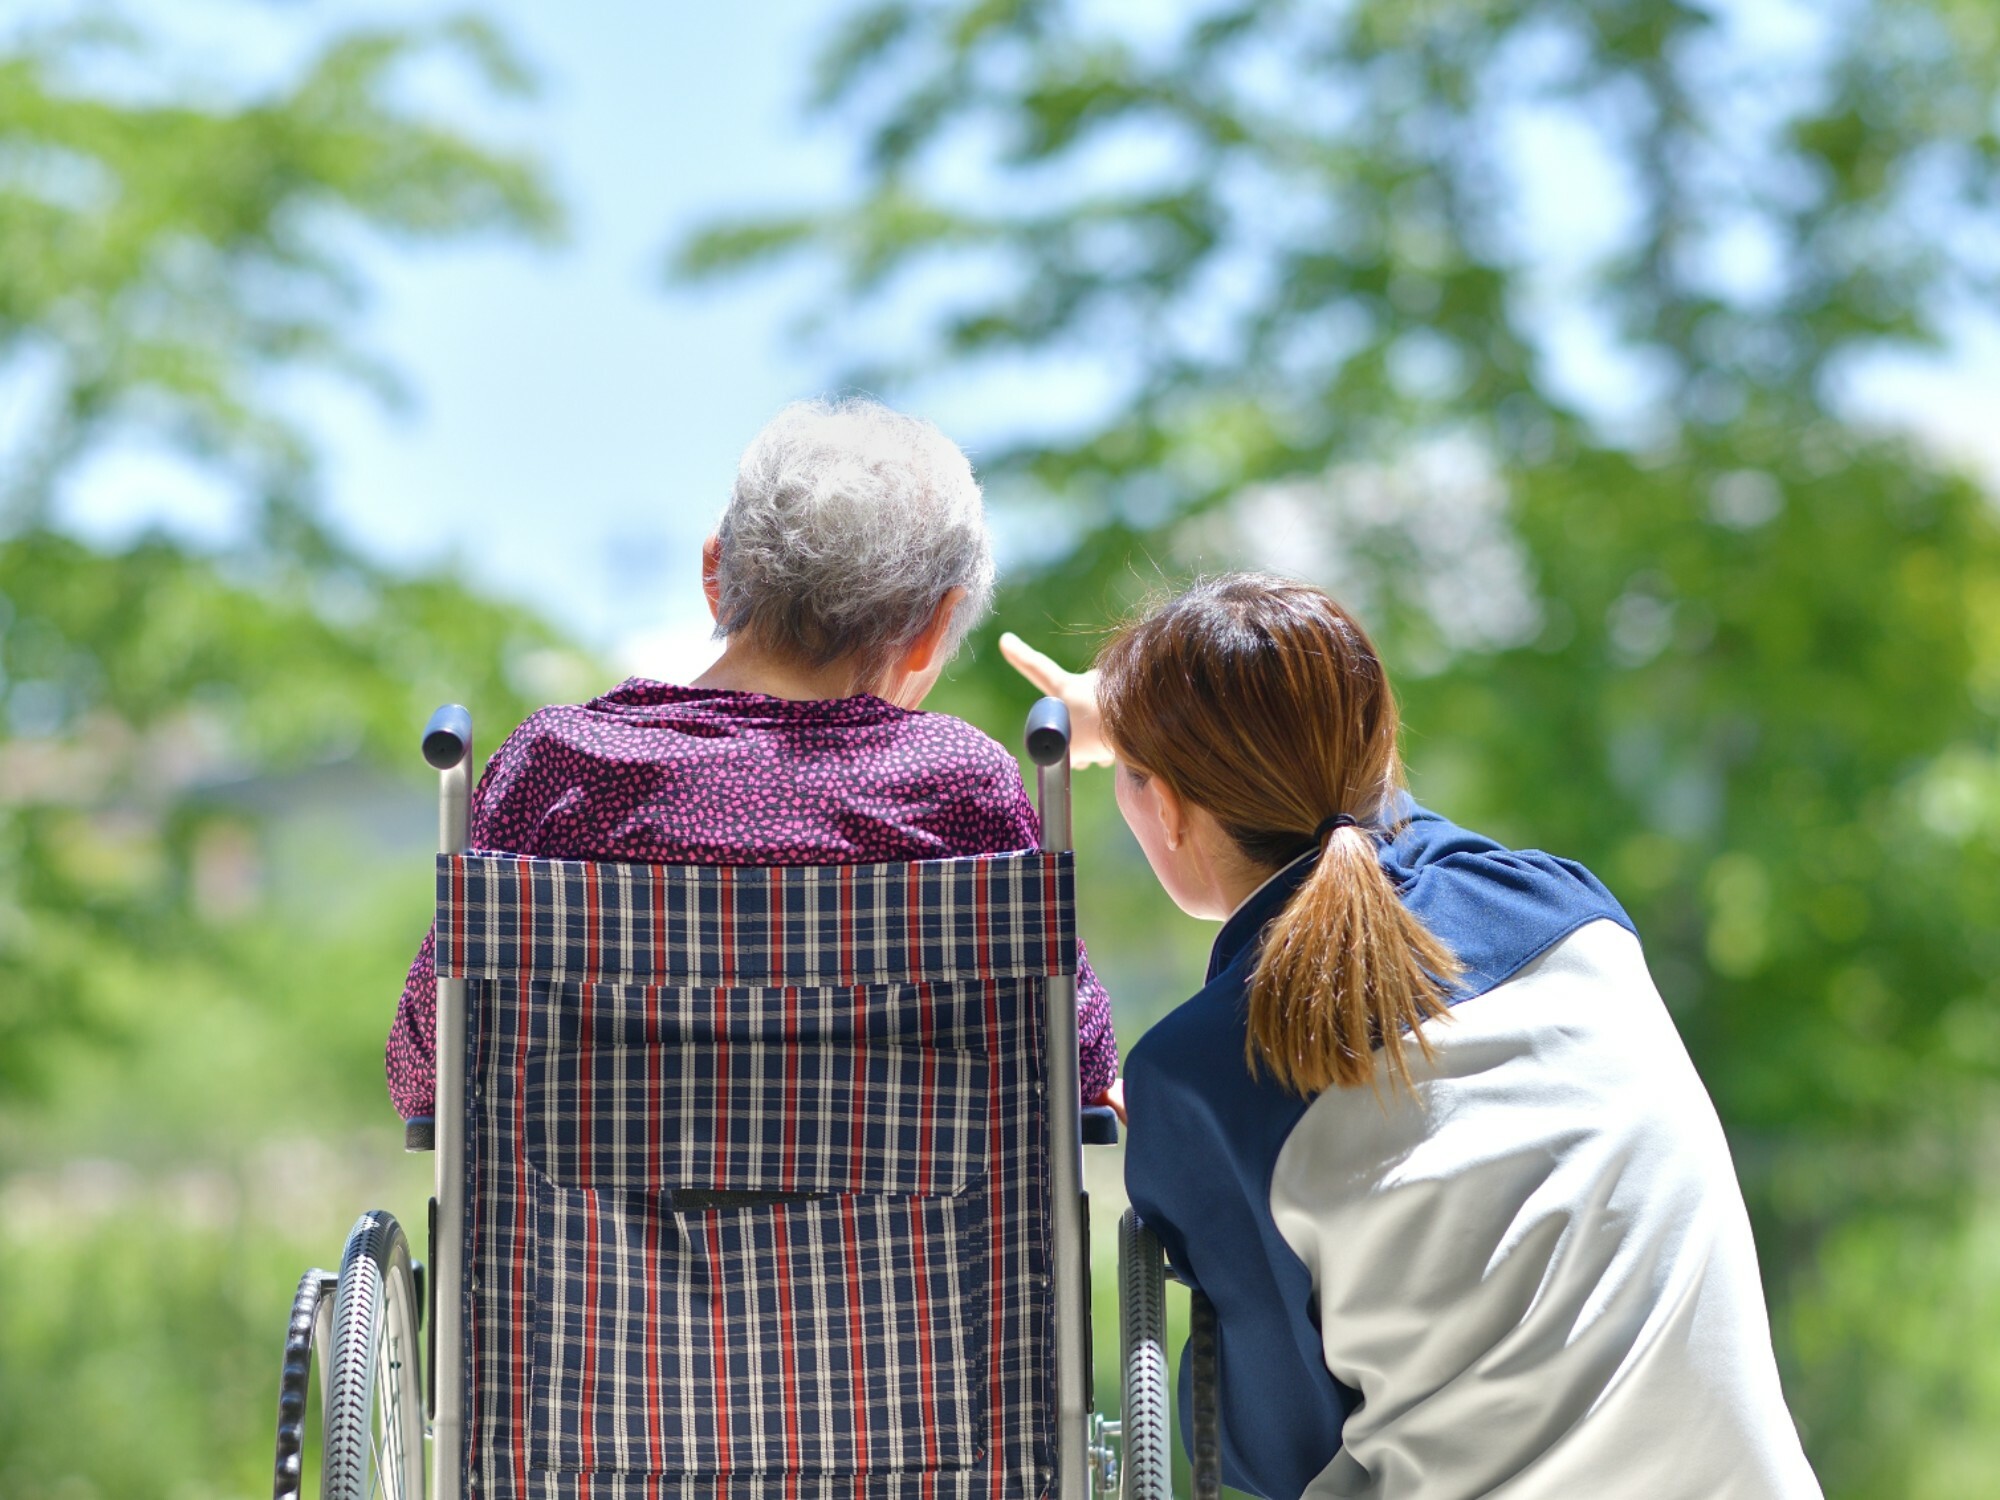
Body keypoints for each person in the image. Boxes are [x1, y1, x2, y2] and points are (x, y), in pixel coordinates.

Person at [1004, 573, 1823, 1500]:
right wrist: (1152, 733)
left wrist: (1188, 1203)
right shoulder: (1566, 904)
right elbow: (1368, 818)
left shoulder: (1200, 1081)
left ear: (1172, 811)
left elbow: (1268, 1452)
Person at [387, 397, 1118, 1121]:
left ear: (715, 574)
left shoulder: (554, 768)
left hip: (589, 1240)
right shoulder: (960, 785)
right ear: (931, 628)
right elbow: (1077, 1060)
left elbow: (425, 1071)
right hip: (905, 1239)